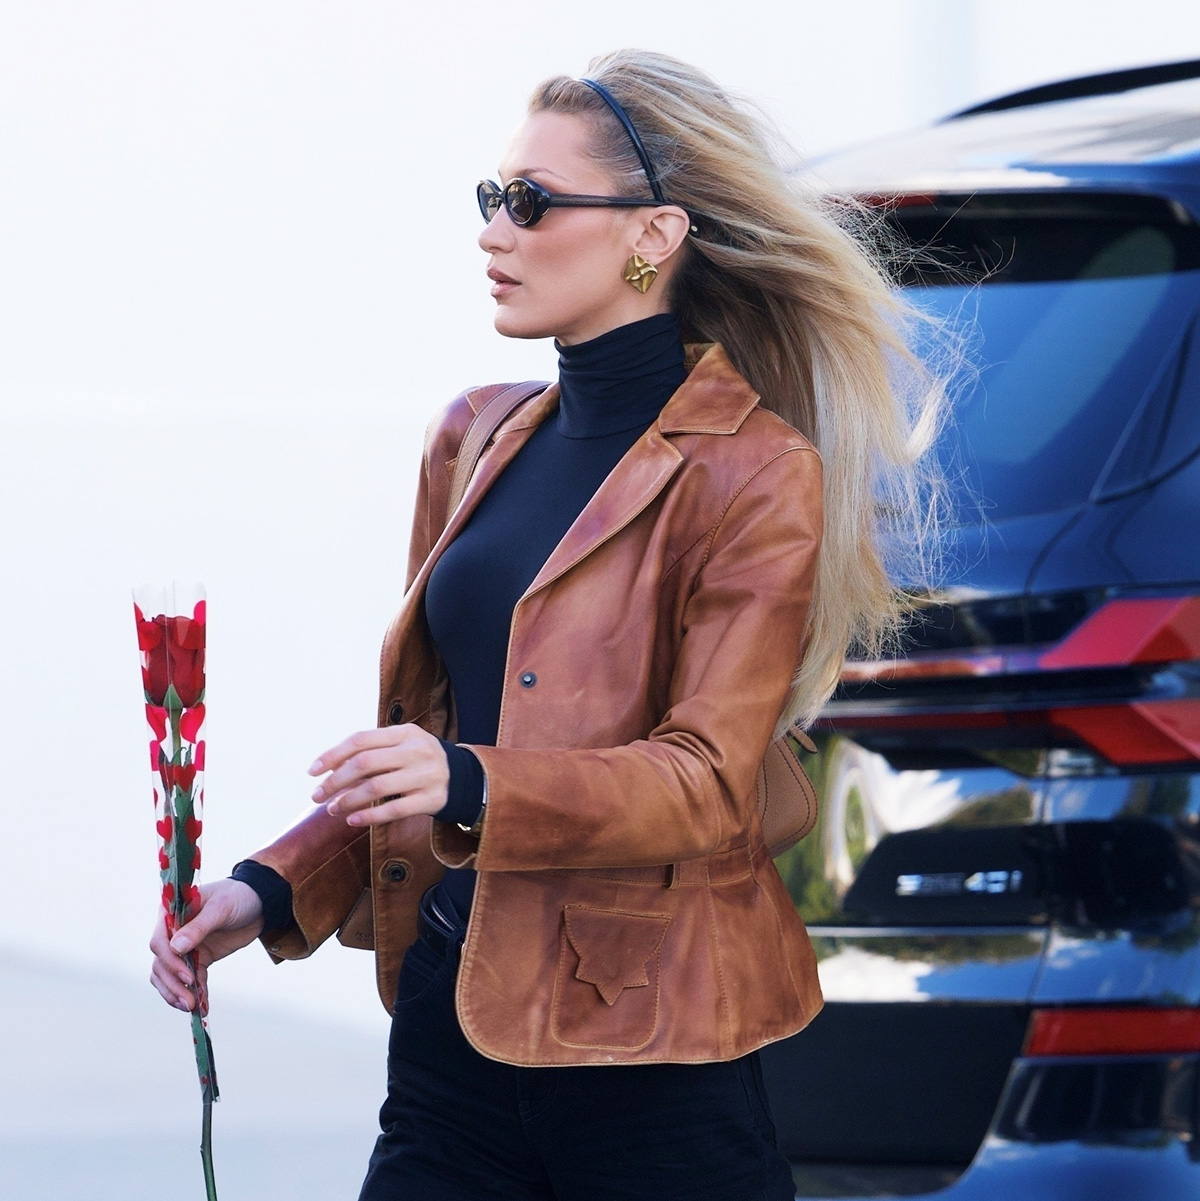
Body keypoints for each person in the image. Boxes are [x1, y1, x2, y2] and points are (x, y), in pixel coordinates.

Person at [148, 49, 951, 1201]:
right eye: (490, 199)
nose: (494, 232)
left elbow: (706, 781)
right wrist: (269, 889)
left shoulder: (754, 473)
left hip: (653, 1055)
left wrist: (467, 783)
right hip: (453, 1029)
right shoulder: (474, 436)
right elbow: (433, 736)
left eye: (529, 202)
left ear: (653, 236)